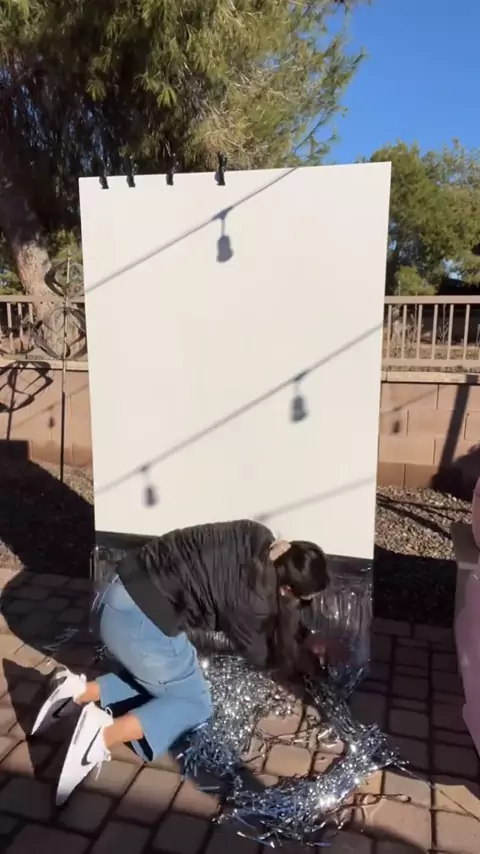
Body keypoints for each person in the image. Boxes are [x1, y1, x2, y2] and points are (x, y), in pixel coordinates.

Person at [31, 519, 329, 805]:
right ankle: (100, 736)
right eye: (303, 601)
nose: (304, 606)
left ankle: (77, 691)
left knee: (169, 678)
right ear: (286, 590)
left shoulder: (256, 536)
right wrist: (306, 665)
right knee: (193, 701)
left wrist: (304, 636)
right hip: (136, 622)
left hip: (113, 593)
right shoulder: (253, 601)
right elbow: (266, 656)